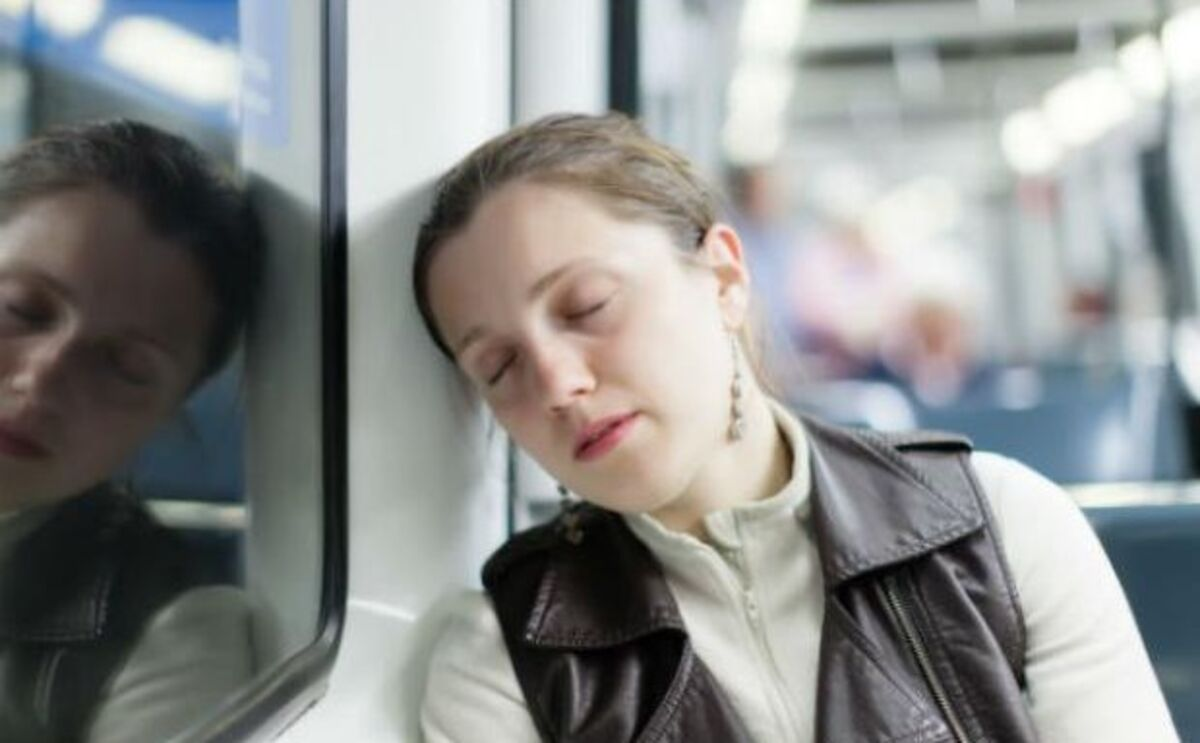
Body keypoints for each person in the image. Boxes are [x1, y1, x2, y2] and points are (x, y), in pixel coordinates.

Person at [414, 113, 1179, 742]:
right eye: (499, 367)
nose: (557, 383)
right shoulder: (503, 662)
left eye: (587, 306)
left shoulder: (1003, 533)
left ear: (724, 277)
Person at [0, 120, 263, 742]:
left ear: (170, 411)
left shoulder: (172, 632)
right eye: (23, 309)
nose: (41, 379)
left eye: (123, 366)